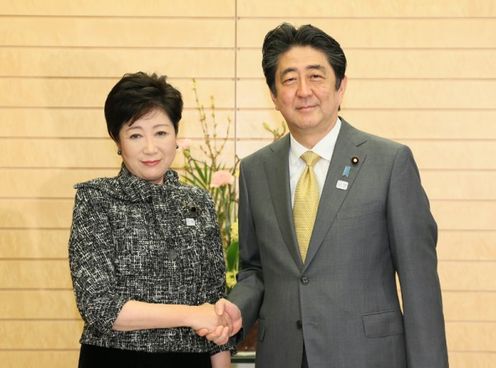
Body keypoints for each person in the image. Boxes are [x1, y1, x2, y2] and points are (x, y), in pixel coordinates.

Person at [200, 23, 449, 367]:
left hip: (368, 357)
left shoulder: (390, 162)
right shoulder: (256, 170)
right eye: (289, 79)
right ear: (274, 95)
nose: (304, 91)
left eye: (316, 76)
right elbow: (255, 268)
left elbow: (419, 282)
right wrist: (237, 306)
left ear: (340, 86)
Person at [68, 72, 233, 368]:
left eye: (160, 132)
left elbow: (215, 302)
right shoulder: (96, 199)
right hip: (116, 359)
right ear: (117, 140)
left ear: (175, 135)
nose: (150, 148)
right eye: (135, 135)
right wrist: (190, 314)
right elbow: (99, 306)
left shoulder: (198, 203)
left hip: (191, 361)